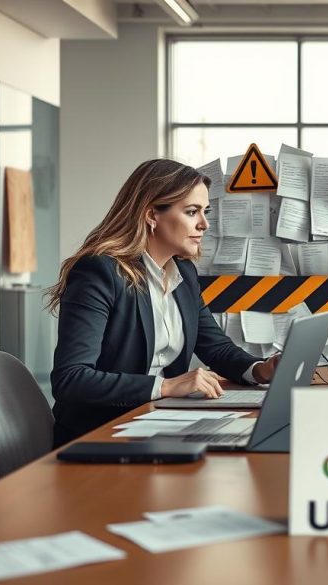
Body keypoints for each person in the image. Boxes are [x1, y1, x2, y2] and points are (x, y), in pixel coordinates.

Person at [48, 159, 278, 447]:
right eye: (192, 212)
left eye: (204, 212)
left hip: (159, 421)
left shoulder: (183, 273)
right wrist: (166, 386)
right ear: (151, 215)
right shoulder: (99, 272)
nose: (204, 224)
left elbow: (215, 347)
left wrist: (260, 369)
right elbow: (72, 378)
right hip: (103, 433)